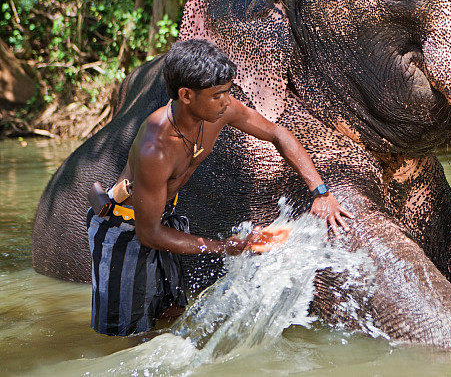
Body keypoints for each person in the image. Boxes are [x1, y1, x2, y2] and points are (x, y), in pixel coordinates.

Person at [86, 38, 352, 336]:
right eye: (218, 95)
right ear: (186, 95)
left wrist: (320, 191)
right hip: (127, 229)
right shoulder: (156, 147)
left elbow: (276, 133)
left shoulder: (222, 110)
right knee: (127, 335)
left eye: (228, 92)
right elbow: (148, 234)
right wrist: (224, 248)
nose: (227, 102)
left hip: (163, 219)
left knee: (172, 314)